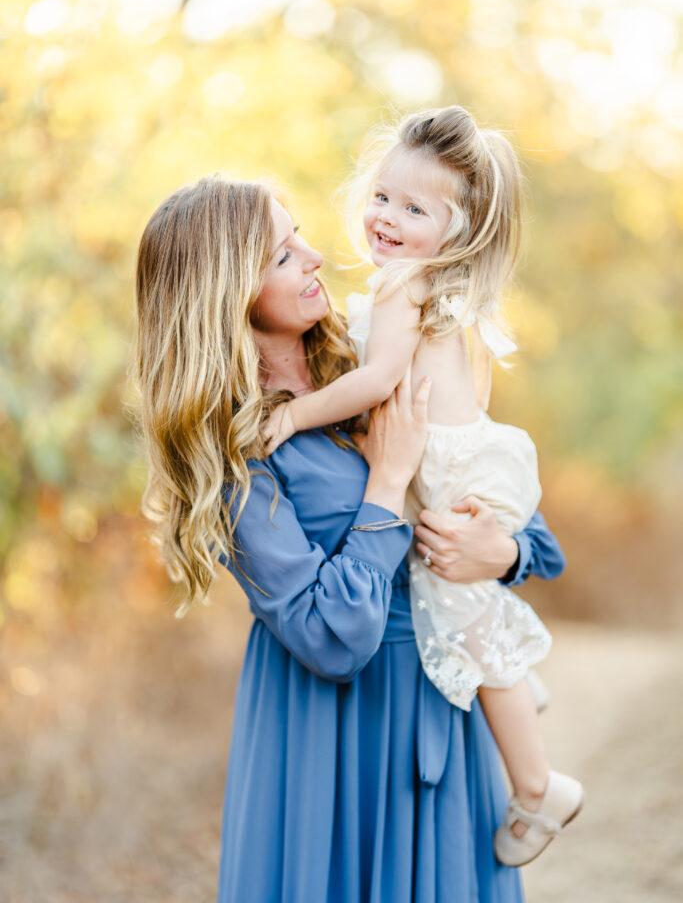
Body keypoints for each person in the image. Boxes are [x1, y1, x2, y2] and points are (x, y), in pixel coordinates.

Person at [136, 174, 568, 902]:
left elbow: (517, 517)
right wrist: (385, 484)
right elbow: (329, 635)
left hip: (439, 701)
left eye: (299, 234)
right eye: (280, 255)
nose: (312, 257)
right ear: (224, 292)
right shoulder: (240, 448)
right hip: (327, 739)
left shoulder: (369, 360)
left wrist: (504, 552)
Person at [263, 106, 583, 867]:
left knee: (460, 602)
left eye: (414, 209)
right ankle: (505, 680)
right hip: (460, 458)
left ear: (455, 230)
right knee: (468, 609)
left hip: (451, 470)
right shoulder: (425, 290)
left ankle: (537, 785)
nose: (386, 218)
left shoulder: (405, 284)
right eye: (381, 196)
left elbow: (376, 380)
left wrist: (293, 416)